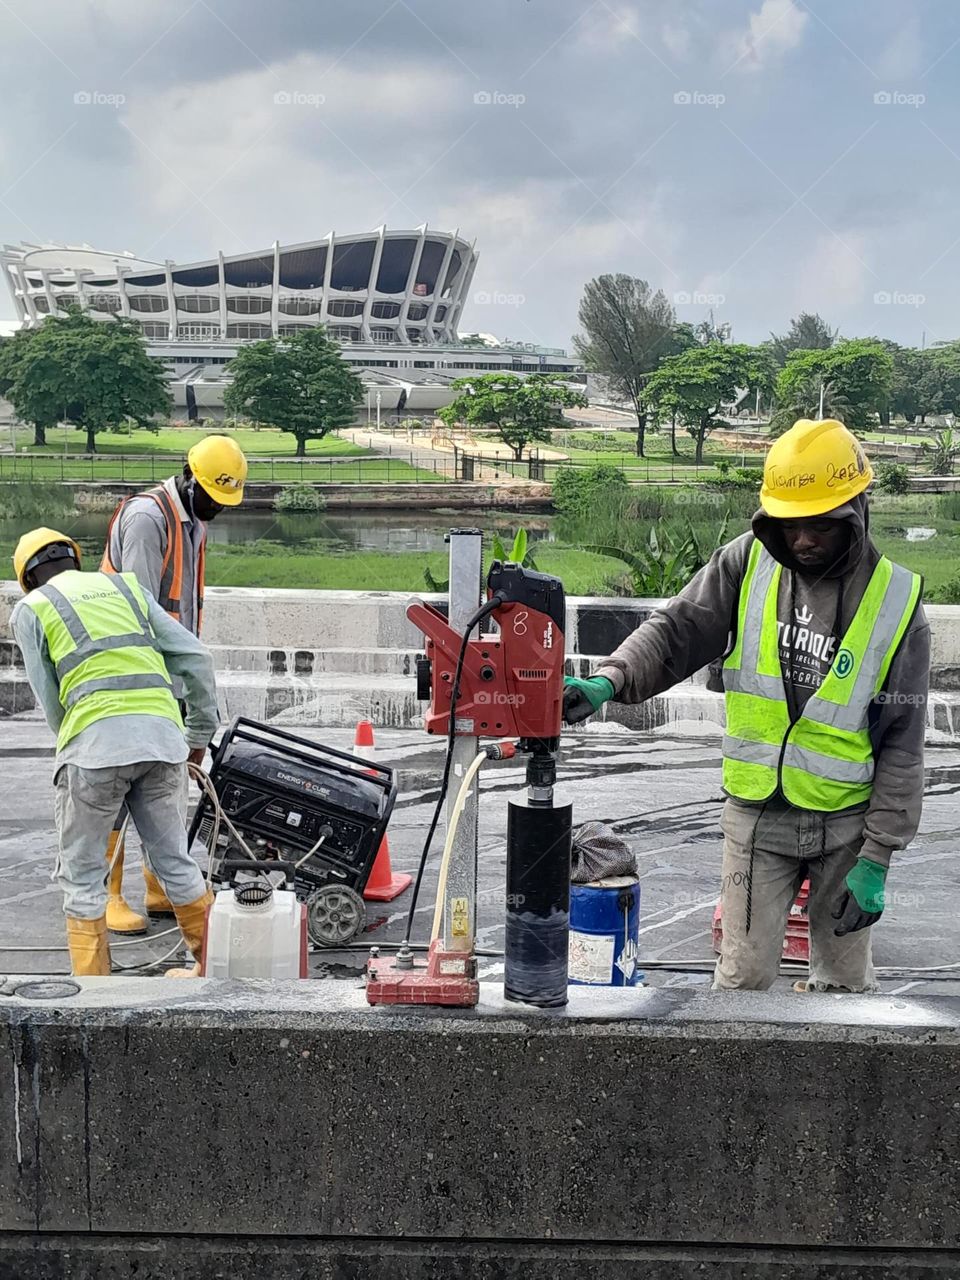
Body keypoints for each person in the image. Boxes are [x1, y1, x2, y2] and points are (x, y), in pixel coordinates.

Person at [563, 419, 930, 993]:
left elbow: (904, 741)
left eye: (820, 525)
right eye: (789, 525)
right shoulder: (746, 564)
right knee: (741, 981)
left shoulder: (896, 601)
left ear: (856, 513)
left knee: (844, 987)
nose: (803, 539)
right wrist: (611, 680)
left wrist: (879, 855)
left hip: (847, 825)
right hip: (758, 820)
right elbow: (676, 630)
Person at [10, 527, 218, 977]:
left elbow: (50, 700)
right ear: (75, 561)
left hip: (94, 749)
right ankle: (214, 973)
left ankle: (95, 999)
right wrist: (197, 734)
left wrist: (75, 747)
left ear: (27, 577)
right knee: (175, 863)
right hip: (163, 743)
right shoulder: (125, 586)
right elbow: (195, 657)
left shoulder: (33, 608)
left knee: (83, 878)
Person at [98, 434, 247, 933]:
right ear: (189, 477)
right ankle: (109, 895)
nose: (218, 510)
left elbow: (182, 611)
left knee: (162, 784)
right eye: (212, 497)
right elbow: (139, 612)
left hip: (169, 678)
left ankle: (161, 882)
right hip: (131, 675)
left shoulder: (193, 523)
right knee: (119, 787)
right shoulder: (147, 520)